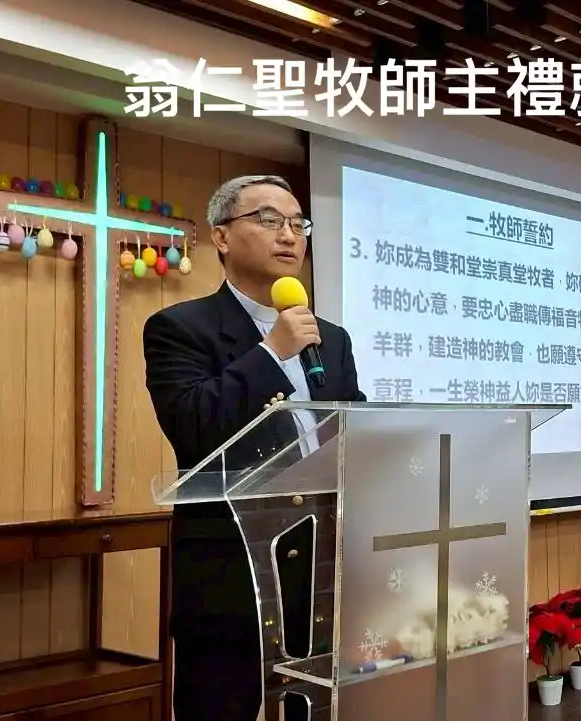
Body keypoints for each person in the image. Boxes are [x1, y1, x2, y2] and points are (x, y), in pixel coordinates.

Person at [143, 175, 365, 721]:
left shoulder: (332, 338)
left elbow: (354, 432)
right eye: (268, 220)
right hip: (232, 570)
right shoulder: (179, 328)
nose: (288, 235)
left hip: (322, 568)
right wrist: (271, 354)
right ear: (221, 237)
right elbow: (194, 427)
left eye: (298, 224)